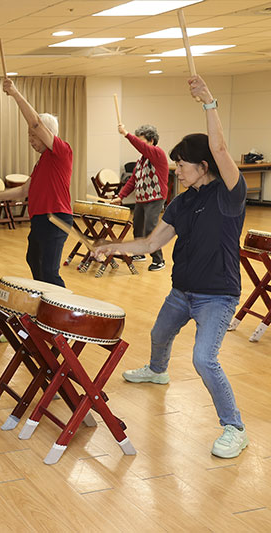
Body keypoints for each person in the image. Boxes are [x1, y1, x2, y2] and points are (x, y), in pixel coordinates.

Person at [93, 75, 249, 459]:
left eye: (181, 164)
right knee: (160, 333)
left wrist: (208, 101)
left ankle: (234, 427)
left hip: (217, 296)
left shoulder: (229, 194)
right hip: (182, 292)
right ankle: (158, 370)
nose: (175, 170)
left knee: (203, 359)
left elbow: (221, 146)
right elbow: (150, 243)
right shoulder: (181, 202)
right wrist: (112, 247)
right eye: (175, 164)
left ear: (202, 165)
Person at [0, 78, 73, 286]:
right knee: (34, 260)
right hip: (41, 219)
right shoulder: (42, 163)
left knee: (49, 271)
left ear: (46, 134)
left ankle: (61, 311)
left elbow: (35, 122)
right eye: (29, 136)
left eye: (34, 136)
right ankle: (44, 303)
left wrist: (15, 93)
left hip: (56, 218)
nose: (30, 140)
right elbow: (24, 190)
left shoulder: (62, 152)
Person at [113, 123, 168, 271]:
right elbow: (133, 181)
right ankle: (140, 253)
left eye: (142, 141)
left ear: (151, 141)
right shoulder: (141, 161)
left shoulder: (157, 153)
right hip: (142, 199)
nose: (139, 145)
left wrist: (126, 134)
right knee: (137, 227)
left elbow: (140, 147)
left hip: (156, 198)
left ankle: (159, 259)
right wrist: (121, 196)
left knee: (150, 228)